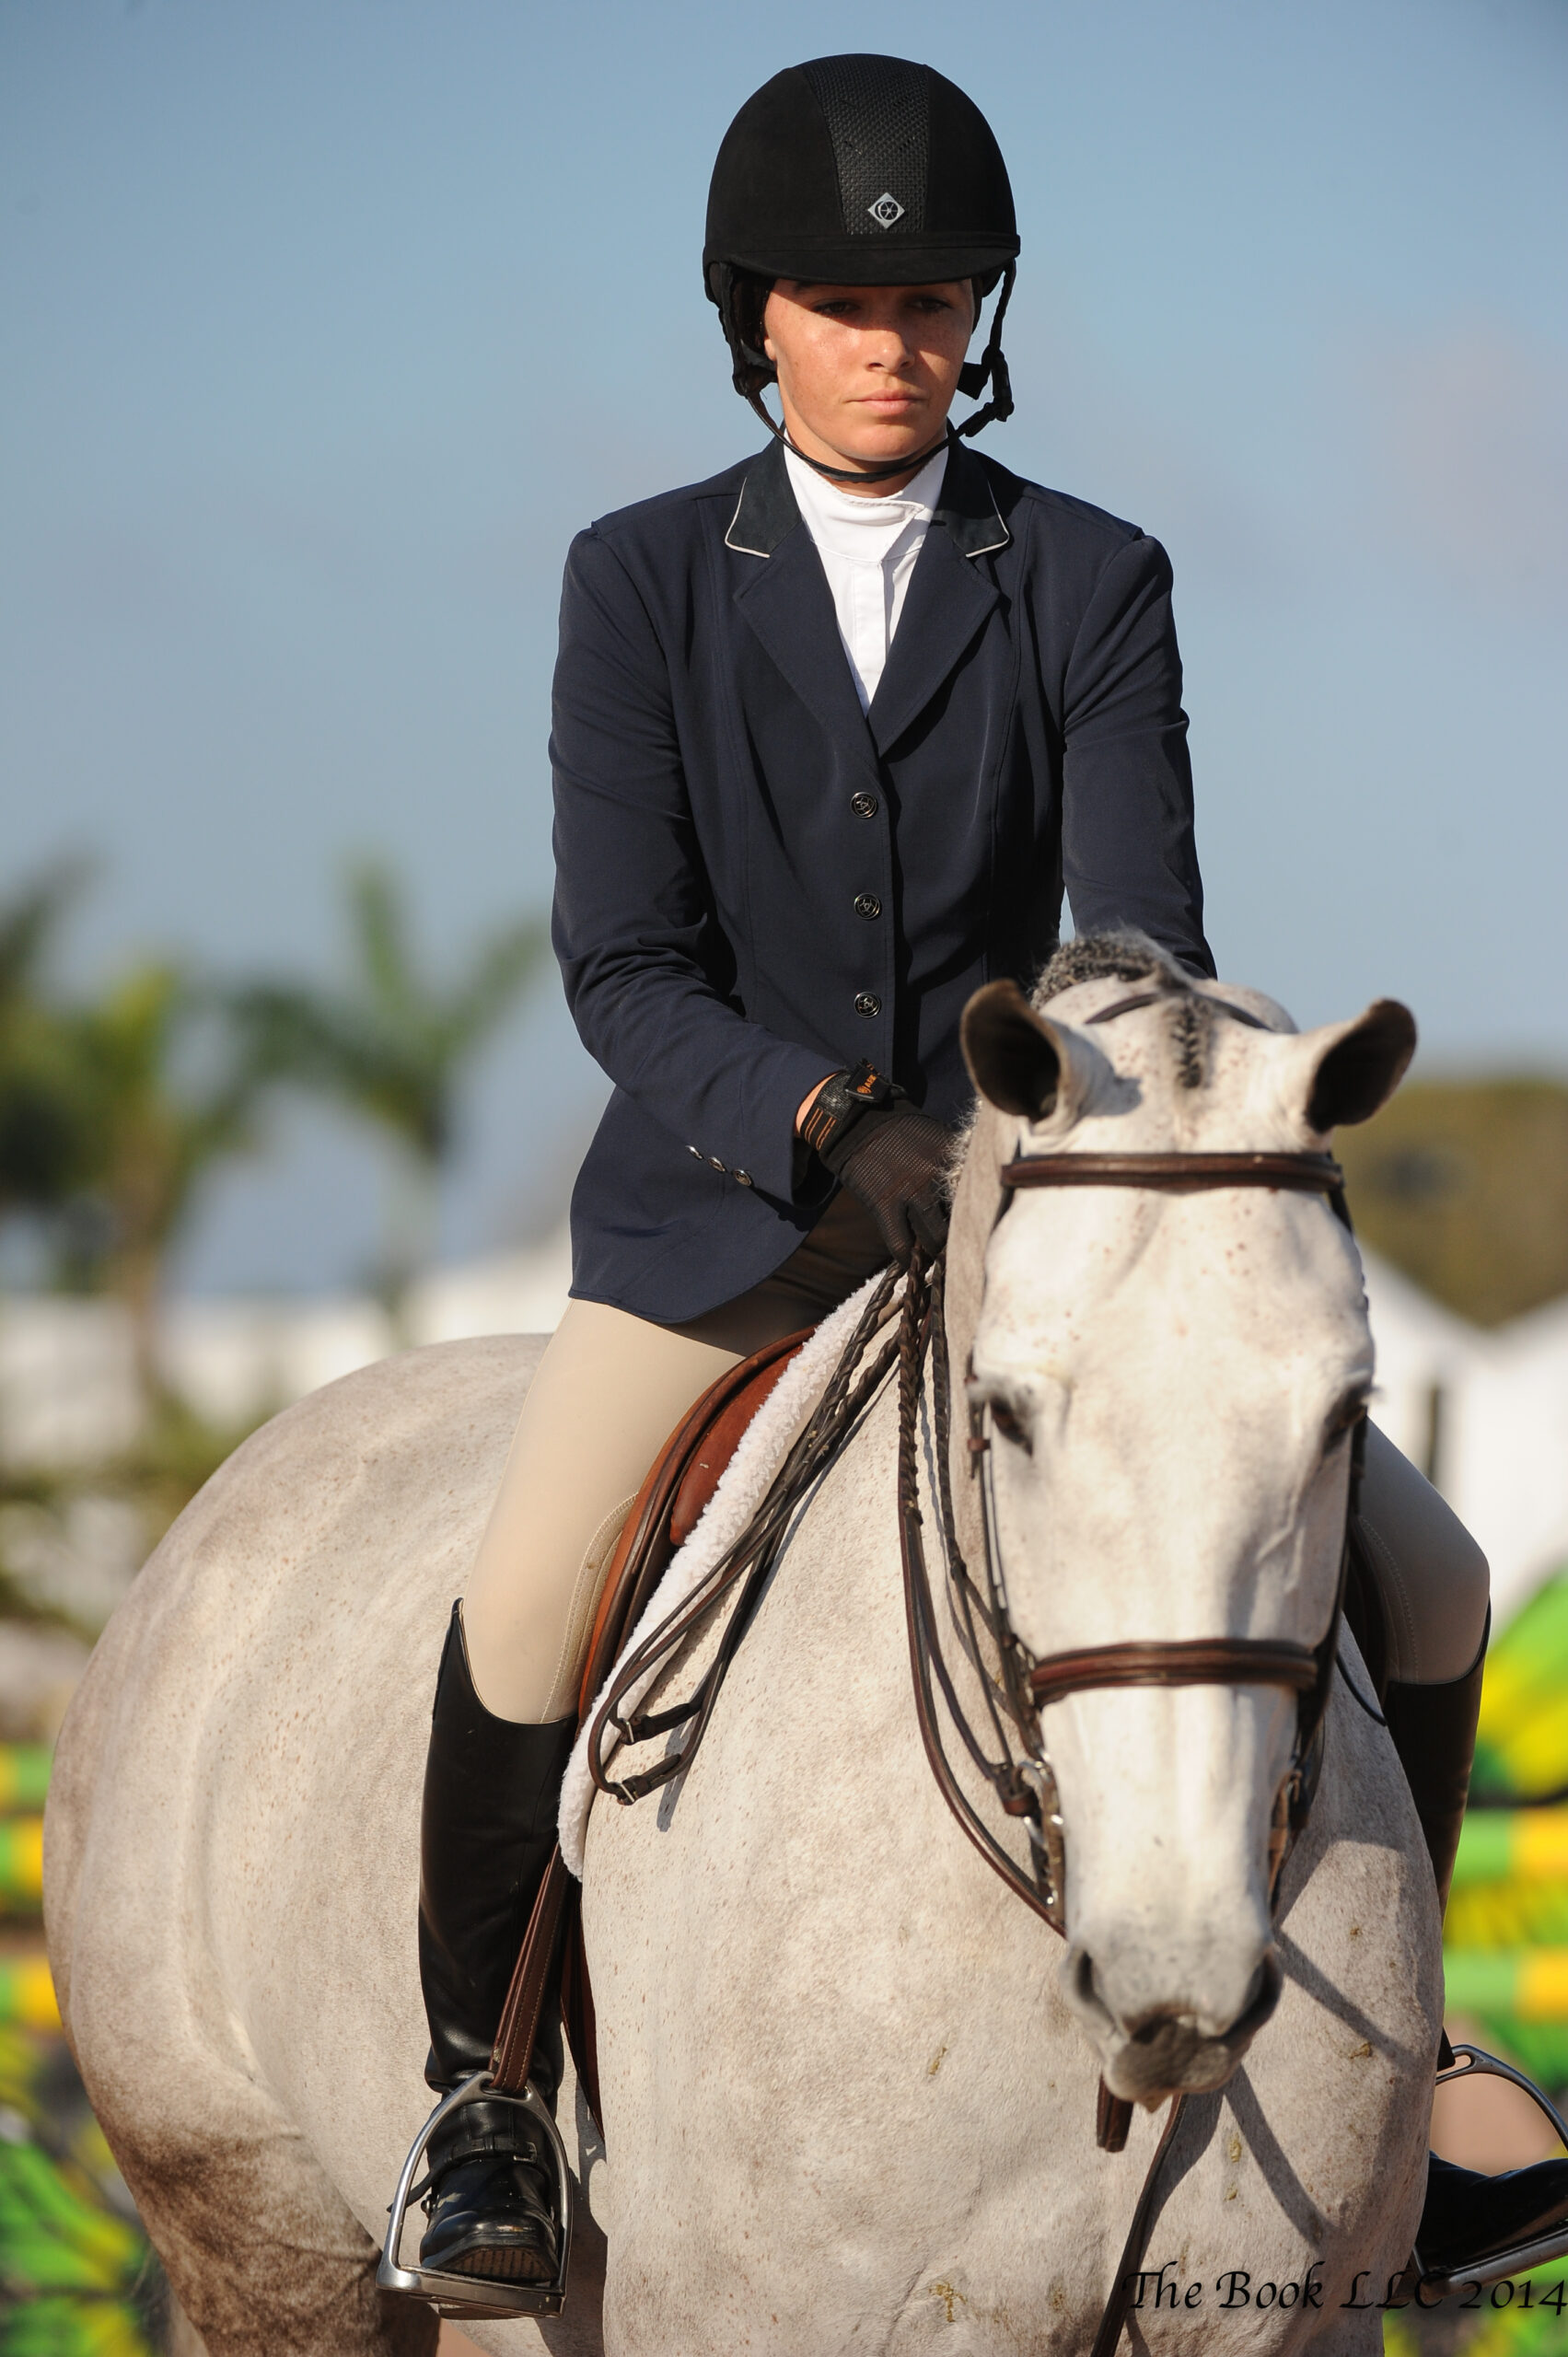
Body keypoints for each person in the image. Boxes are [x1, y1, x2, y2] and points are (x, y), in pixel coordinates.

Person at [405, 52, 1562, 2302]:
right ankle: (482, 2094)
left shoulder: (1090, 575)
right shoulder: (636, 578)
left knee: (1426, 1581)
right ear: (758, 315)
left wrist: (1039, 1146)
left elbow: (1138, 935)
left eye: (934, 294)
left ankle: (1416, 2064)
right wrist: (839, 1129)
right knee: (530, 1596)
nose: (896, 337)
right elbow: (623, 963)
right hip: (729, 1216)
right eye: (847, 298)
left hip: (1044, 1210)